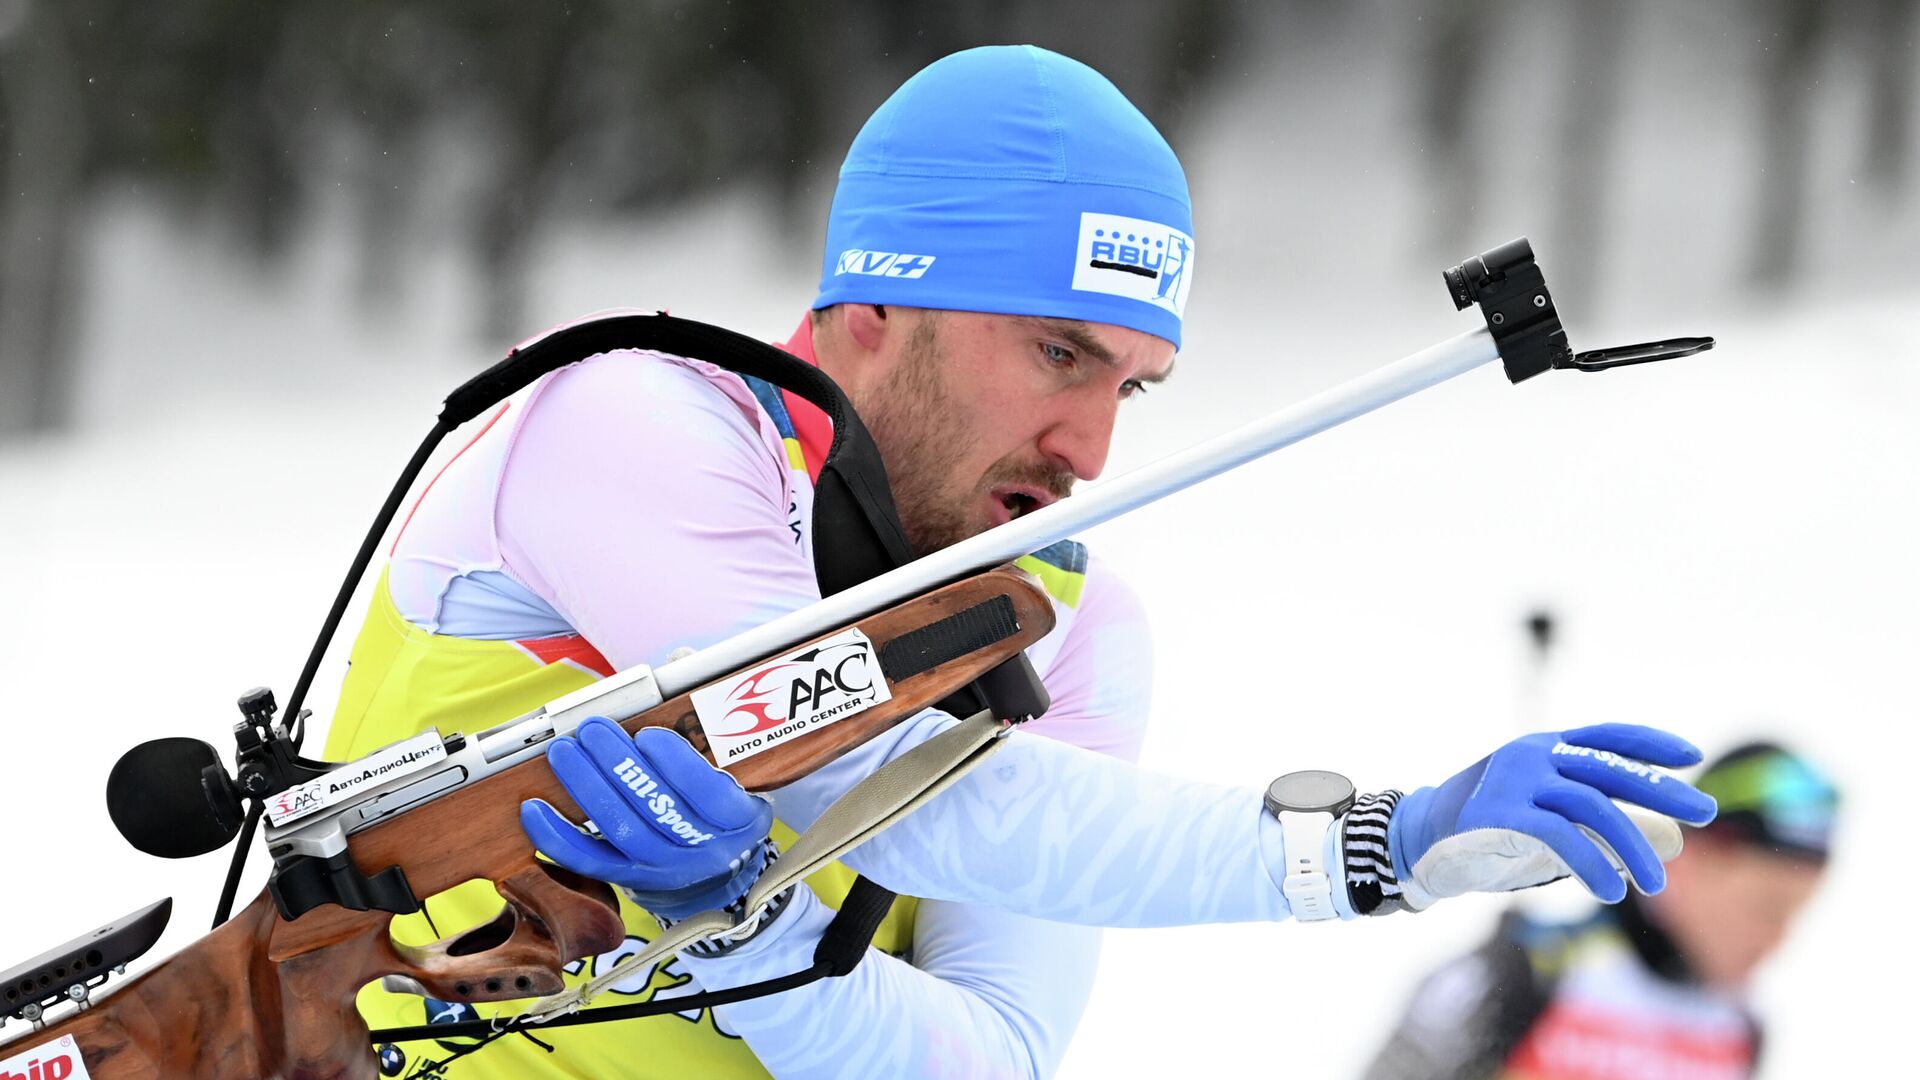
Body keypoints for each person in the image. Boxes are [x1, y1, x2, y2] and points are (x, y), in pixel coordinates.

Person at [323, 45, 1716, 1079]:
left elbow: (989, 1054)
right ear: (875, 306)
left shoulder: (1074, 627)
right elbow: (871, 772)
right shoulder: (637, 427)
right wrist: (1367, 847)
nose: (1091, 449)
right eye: (1059, 354)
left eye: (1134, 387)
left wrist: (746, 951)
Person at [1364, 740, 1838, 1080]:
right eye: (1767, 907)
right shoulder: (1527, 971)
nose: (1778, 937)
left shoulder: (1740, 1030)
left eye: (1797, 914)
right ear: (1692, 860)